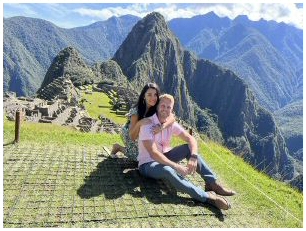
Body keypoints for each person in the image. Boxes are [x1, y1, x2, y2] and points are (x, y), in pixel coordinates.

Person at [137, 94, 236, 210]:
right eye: (162, 105)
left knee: (188, 148)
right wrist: (176, 166)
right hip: (148, 164)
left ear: (172, 110)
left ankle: (212, 183)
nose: (165, 109)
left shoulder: (170, 124)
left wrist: (193, 156)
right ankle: (206, 197)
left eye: (168, 107)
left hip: (165, 156)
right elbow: (153, 153)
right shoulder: (147, 124)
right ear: (157, 106)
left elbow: (191, 139)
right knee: (168, 170)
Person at [104, 83, 175, 161]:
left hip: (144, 134)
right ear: (144, 96)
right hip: (130, 134)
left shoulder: (157, 106)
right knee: (139, 158)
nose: (153, 98)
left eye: (155, 95)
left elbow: (172, 118)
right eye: (149, 95)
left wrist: (162, 127)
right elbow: (132, 136)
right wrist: (140, 123)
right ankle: (118, 147)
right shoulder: (136, 112)